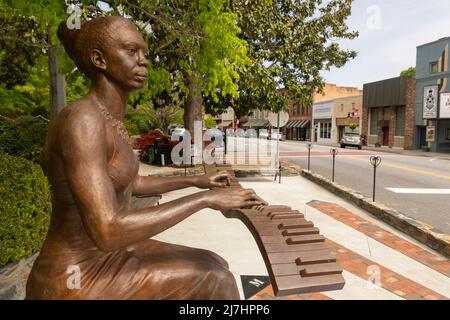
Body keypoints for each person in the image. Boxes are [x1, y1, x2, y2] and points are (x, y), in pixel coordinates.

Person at [26, 16, 265, 300]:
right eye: (131, 51)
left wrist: (199, 180)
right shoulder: (83, 120)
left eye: (144, 52)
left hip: (108, 255)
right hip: (75, 276)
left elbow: (134, 181)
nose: (143, 61)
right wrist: (205, 200)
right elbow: (108, 230)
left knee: (214, 261)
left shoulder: (110, 120)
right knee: (216, 279)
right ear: (99, 59)